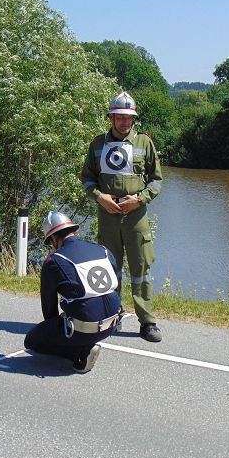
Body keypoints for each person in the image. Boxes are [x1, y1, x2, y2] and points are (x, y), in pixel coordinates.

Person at [80, 91, 163, 343]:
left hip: (136, 216)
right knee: (109, 269)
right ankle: (112, 314)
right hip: (108, 216)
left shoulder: (145, 144)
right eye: (120, 117)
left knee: (141, 270)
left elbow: (156, 180)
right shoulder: (97, 144)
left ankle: (147, 322)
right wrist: (99, 196)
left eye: (129, 118)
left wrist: (140, 199)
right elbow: (86, 178)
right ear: (111, 117)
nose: (125, 122)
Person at [24, 211, 122, 373]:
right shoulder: (102, 250)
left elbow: (49, 307)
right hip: (113, 323)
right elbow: (115, 286)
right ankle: (84, 342)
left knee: (32, 341)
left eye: (51, 242)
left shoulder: (54, 261)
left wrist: (53, 331)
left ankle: (80, 354)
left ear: (54, 239)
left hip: (85, 328)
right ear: (73, 230)